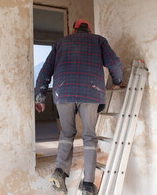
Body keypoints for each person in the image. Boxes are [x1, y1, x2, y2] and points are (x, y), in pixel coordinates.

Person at [34, 19, 123, 195]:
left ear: (73, 31)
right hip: (91, 91)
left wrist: (40, 97)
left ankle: (60, 171)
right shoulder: (98, 41)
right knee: (89, 136)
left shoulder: (60, 43)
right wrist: (118, 82)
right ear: (88, 30)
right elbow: (114, 63)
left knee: (67, 133)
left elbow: (45, 71)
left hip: (63, 92)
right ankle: (88, 184)